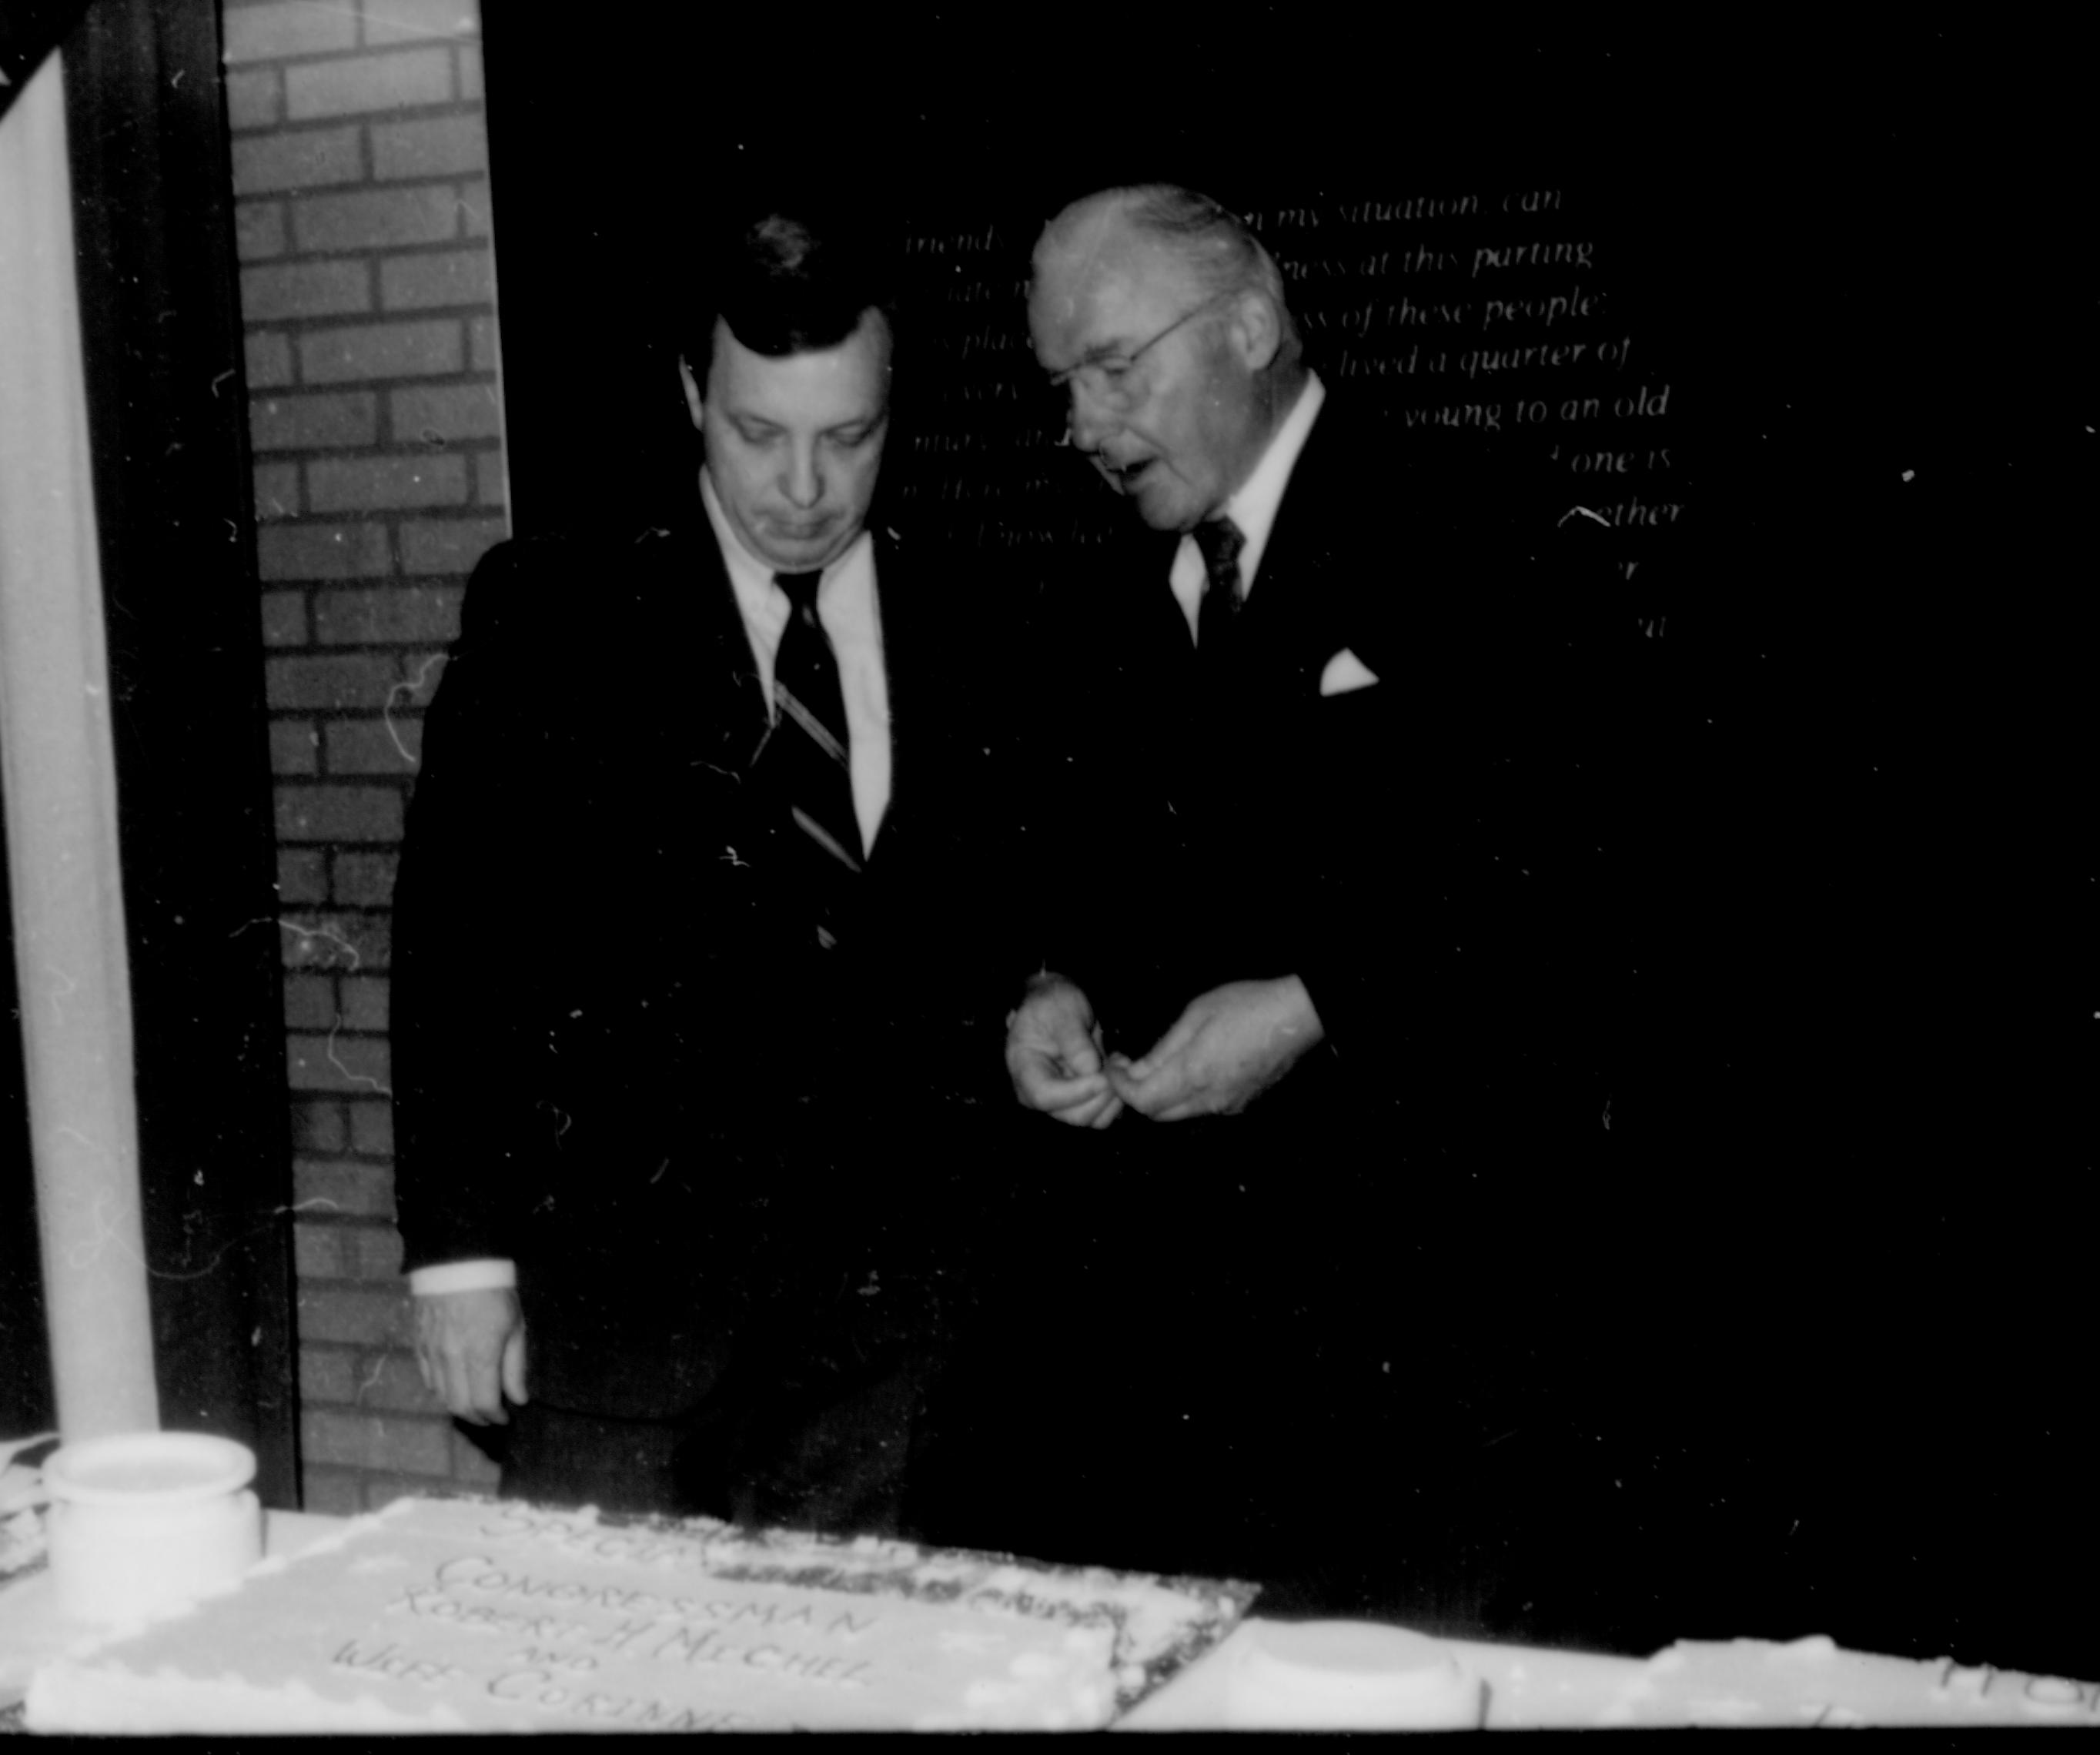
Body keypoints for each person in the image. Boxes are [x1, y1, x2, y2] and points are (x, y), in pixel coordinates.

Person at [931, 182, 1593, 1612]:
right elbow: (1055, 870)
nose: (1083, 427)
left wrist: (1317, 1004)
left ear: (1249, 322)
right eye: (1062, 386)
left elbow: (1572, 872)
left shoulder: (1478, 524)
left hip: (1417, 1362)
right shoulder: (1096, 597)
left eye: (1114, 369)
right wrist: (1049, 987)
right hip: (1169, 1382)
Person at [390, 206, 1019, 1540]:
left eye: (848, 438)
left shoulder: (979, 622)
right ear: (692, 393)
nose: (804, 486)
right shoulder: (554, 612)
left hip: (895, 1343)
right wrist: (460, 1258)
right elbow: (457, 949)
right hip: (628, 1333)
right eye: (758, 433)